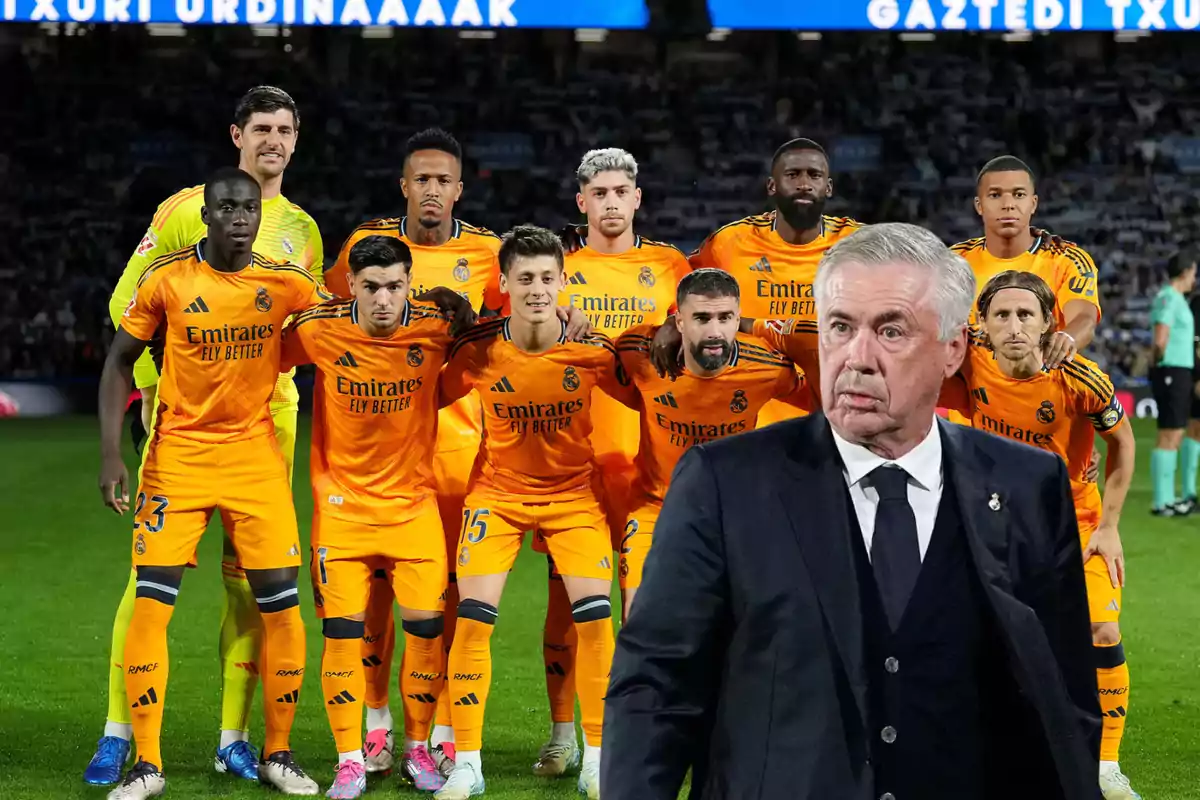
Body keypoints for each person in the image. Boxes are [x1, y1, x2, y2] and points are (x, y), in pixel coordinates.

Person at [603, 222, 1101, 800]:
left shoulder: (1028, 483)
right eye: (840, 327)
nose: (856, 358)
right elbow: (655, 691)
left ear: (953, 349)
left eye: (891, 331)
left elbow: (1064, 703)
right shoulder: (722, 482)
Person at [325, 129, 587, 776]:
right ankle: (377, 723)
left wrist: (573, 319)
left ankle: (440, 727)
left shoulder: (484, 252)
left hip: (464, 455)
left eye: (445, 180)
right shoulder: (366, 249)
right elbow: (333, 321)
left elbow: (519, 328)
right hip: (380, 459)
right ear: (404, 185)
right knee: (375, 600)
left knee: (445, 602)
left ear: (459, 189)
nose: (433, 190)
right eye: (422, 179)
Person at [87, 85, 323, 787]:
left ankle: (237, 738)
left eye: (285, 128)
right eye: (261, 128)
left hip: (267, 425)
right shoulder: (184, 209)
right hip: (184, 428)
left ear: (296, 137)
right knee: (149, 586)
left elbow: (316, 327)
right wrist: (156, 390)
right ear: (236, 134)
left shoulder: (302, 231)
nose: (273, 140)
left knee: (252, 593)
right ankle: (119, 734)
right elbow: (125, 303)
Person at [434, 225, 638, 800]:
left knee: (597, 622)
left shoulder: (592, 349)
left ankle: (597, 759)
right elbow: (422, 391)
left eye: (548, 278)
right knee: (472, 619)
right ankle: (467, 765)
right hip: (497, 496)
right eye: (525, 278)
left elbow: (648, 381)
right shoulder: (478, 347)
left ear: (562, 282)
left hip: (574, 496)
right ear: (503, 283)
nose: (537, 289)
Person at [280, 235, 479, 798]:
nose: (384, 299)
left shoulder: (435, 328)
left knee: (424, 634)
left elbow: (495, 339)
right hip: (341, 514)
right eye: (371, 288)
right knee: (343, 637)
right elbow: (254, 351)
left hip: (414, 511)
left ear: (409, 284)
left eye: (395, 286)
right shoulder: (319, 329)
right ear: (351, 288)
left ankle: (416, 748)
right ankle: (350, 758)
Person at [948, 271, 1139, 800]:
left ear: (1048, 322)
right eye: (1001, 315)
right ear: (982, 324)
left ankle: (1105, 764)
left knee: (1101, 629)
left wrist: (1110, 527)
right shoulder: (967, 360)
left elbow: (1122, 444)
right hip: (994, 521)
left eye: (1025, 314)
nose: (1014, 326)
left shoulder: (1080, 378)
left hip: (1076, 525)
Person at [533, 147, 690, 779]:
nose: (611, 202)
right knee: (566, 605)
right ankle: (563, 734)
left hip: (651, 465)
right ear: (582, 202)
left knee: (644, 609)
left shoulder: (670, 267)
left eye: (621, 191)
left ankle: (632, 734)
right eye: (599, 193)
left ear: (637, 197)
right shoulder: (559, 271)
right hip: (573, 462)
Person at [614, 268, 810, 618]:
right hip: (655, 508)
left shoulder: (767, 368)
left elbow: (824, 397)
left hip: (732, 513)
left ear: (738, 318)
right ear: (680, 321)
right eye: (702, 318)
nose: (715, 331)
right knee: (638, 624)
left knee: (741, 629)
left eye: (725, 318)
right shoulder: (637, 354)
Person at [672, 137, 860, 427]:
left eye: (814, 175)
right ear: (772, 186)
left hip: (833, 420)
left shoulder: (860, 245)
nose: (804, 184)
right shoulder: (730, 243)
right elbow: (679, 289)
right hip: (748, 420)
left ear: (829, 187)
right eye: (792, 175)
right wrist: (672, 323)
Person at [951, 156, 1100, 367]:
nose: (1008, 205)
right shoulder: (952, 262)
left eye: (1019, 195)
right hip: (970, 388)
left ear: (1033, 203)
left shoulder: (1066, 259)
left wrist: (1067, 338)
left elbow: (1084, 318)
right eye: (995, 195)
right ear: (979, 205)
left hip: (1041, 386)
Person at [1148, 250, 1197, 516]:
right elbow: (1160, 338)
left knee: (1175, 432)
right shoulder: (1168, 298)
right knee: (1169, 433)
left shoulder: (1177, 299)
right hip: (1171, 370)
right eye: (1193, 273)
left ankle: (1167, 498)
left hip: (1179, 370)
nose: (1194, 278)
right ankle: (1160, 500)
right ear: (1186, 271)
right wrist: (1159, 364)